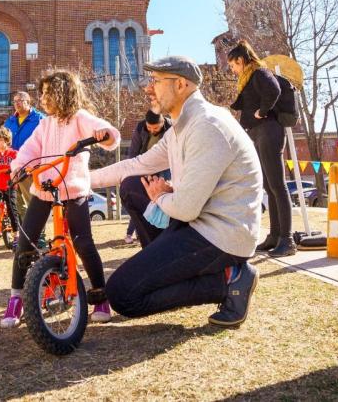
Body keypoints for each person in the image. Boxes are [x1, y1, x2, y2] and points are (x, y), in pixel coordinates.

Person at [91, 56, 264, 327]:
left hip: (222, 236)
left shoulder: (207, 125)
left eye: (156, 81)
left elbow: (185, 208)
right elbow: (137, 164)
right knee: (133, 186)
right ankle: (164, 269)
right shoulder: (180, 129)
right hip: (196, 223)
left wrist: (162, 196)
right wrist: (79, 179)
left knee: (122, 295)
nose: (149, 89)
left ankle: (229, 281)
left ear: (181, 84)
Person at [1, 70, 119, 328]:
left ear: (62, 93)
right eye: (41, 94)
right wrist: (19, 167)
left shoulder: (79, 118)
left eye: (46, 94)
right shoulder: (45, 124)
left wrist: (105, 135)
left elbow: (102, 128)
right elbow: (29, 150)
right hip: (45, 188)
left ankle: (100, 296)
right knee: (25, 243)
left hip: (73, 188)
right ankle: (16, 299)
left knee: (83, 243)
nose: (42, 99)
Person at [227, 40, 295, 257]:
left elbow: (273, 90)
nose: (233, 70)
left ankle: (287, 239)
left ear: (240, 60)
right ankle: (275, 236)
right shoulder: (248, 80)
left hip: (269, 130)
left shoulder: (259, 73)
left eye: (233, 65)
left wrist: (262, 112)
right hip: (257, 133)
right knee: (268, 185)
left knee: (277, 185)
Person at [120, 108, 172, 247]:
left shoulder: (171, 128)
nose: (152, 130)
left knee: (161, 199)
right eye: (149, 127)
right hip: (145, 167)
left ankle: (165, 229)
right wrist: (133, 171)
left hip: (165, 167)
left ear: (162, 122)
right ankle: (135, 234)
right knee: (137, 198)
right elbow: (133, 153)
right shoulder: (140, 128)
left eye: (156, 128)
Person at [4, 91, 44, 223]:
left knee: (33, 202)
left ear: (28, 102)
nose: (16, 103)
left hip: (31, 167)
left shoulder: (39, 119)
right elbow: (3, 141)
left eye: (19, 100)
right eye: (14, 101)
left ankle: (39, 236)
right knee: (18, 204)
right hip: (13, 167)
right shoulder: (9, 122)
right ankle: (24, 234)